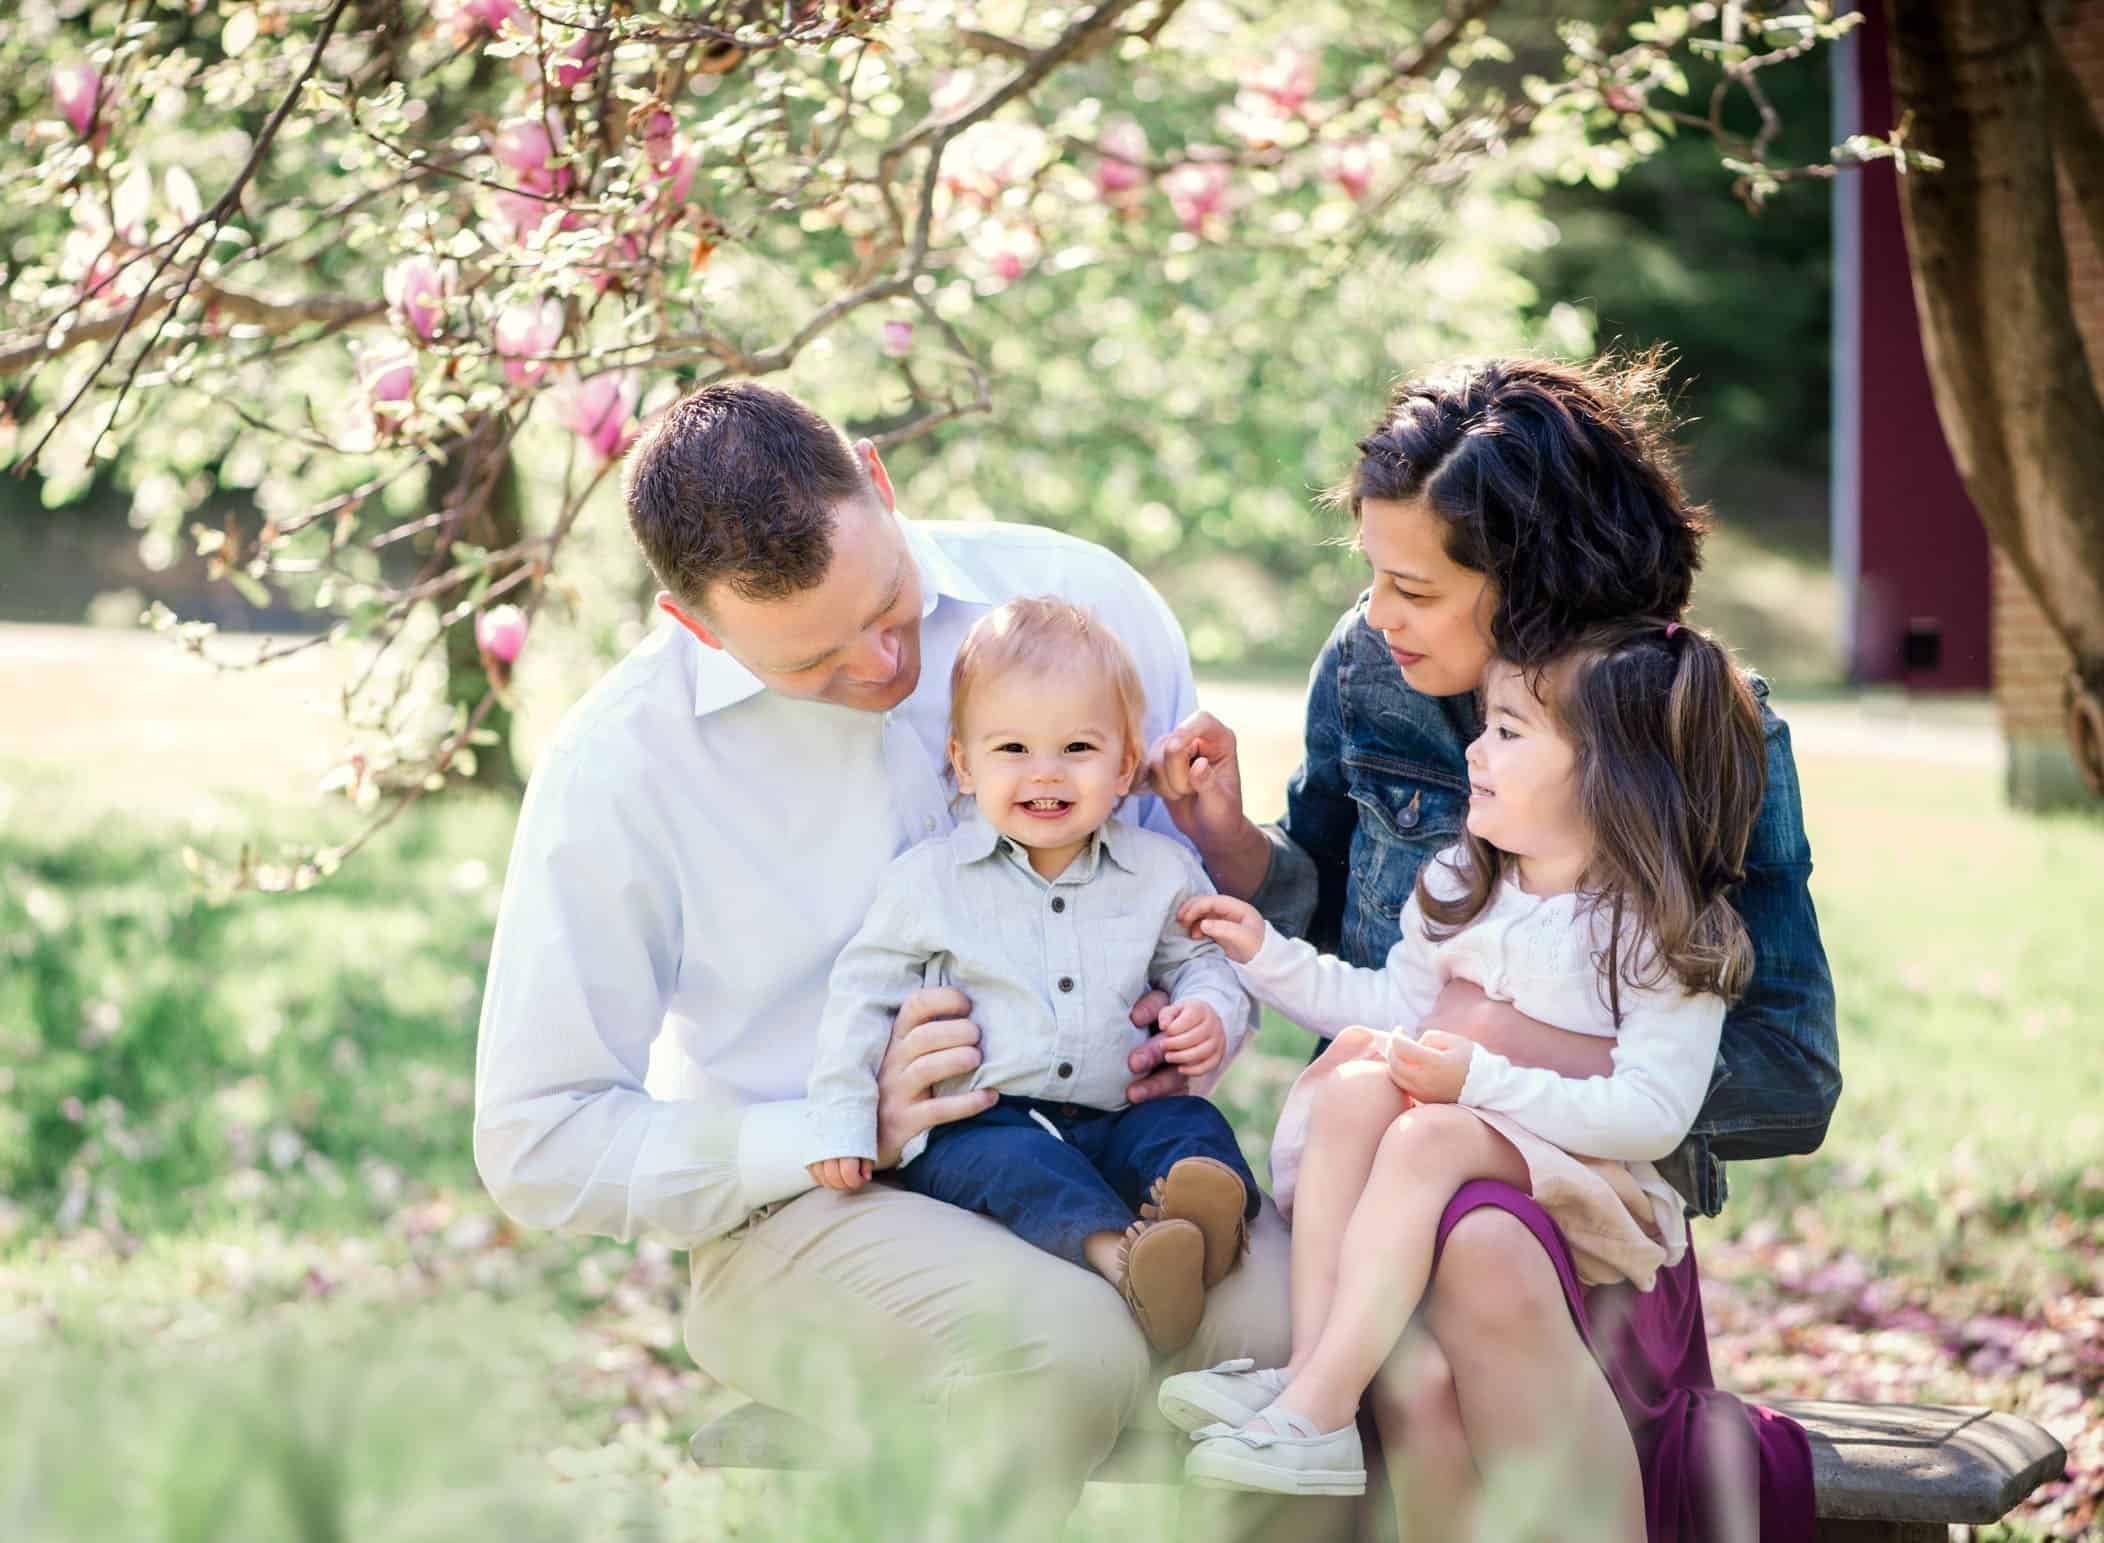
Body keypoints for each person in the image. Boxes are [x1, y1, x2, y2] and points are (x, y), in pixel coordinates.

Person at [472, 382, 1351, 1541]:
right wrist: (841, 1128)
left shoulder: (1082, 605)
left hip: (1109, 1143)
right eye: (815, 662)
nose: (885, 663)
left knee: (1317, 1339)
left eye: (889, 605)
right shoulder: (621, 767)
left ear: (878, 483)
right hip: (800, 1211)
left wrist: (1203, 1020)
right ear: (697, 627)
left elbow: (1186, 915)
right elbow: (538, 1139)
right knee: (1057, 1350)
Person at [1149, 355, 1839, 1540]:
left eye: (1411, 586)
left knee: (1468, 1238)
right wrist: (1234, 851)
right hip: (1377, 1172)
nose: (1377, 616)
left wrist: (1501, 1056)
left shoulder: (1694, 726)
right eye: (1370, 575)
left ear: (1525, 591)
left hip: (1565, 1235)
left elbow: (1787, 1071)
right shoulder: (1370, 673)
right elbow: (1347, 941)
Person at [1161, 620, 1767, 1496]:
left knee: (1426, 1137)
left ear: (1611, 775)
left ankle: (1320, 1405)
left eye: (1509, 732)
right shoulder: (1462, 881)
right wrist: (1267, 954)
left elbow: (1653, 1112)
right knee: (1360, 1087)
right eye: (1485, 724)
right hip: (1483, 1137)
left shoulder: (1656, 929)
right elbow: (1387, 1006)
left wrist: (1479, 1081)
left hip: (1601, 1181)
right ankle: (1306, 1376)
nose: (1476, 751)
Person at [802, 597, 1262, 1353]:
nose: (1043, 773)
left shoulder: (1159, 870)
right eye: (1012, 748)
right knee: (1015, 1167)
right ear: (963, 762)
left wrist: (1207, 1013)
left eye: (1077, 747)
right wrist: (842, 1116)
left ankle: (1202, 1213)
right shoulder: (930, 882)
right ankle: (1126, 1257)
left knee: (1191, 1129)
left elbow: (1201, 961)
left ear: (1123, 764)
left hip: (1119, 1111)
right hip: (991, 1118)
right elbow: (862, 994)